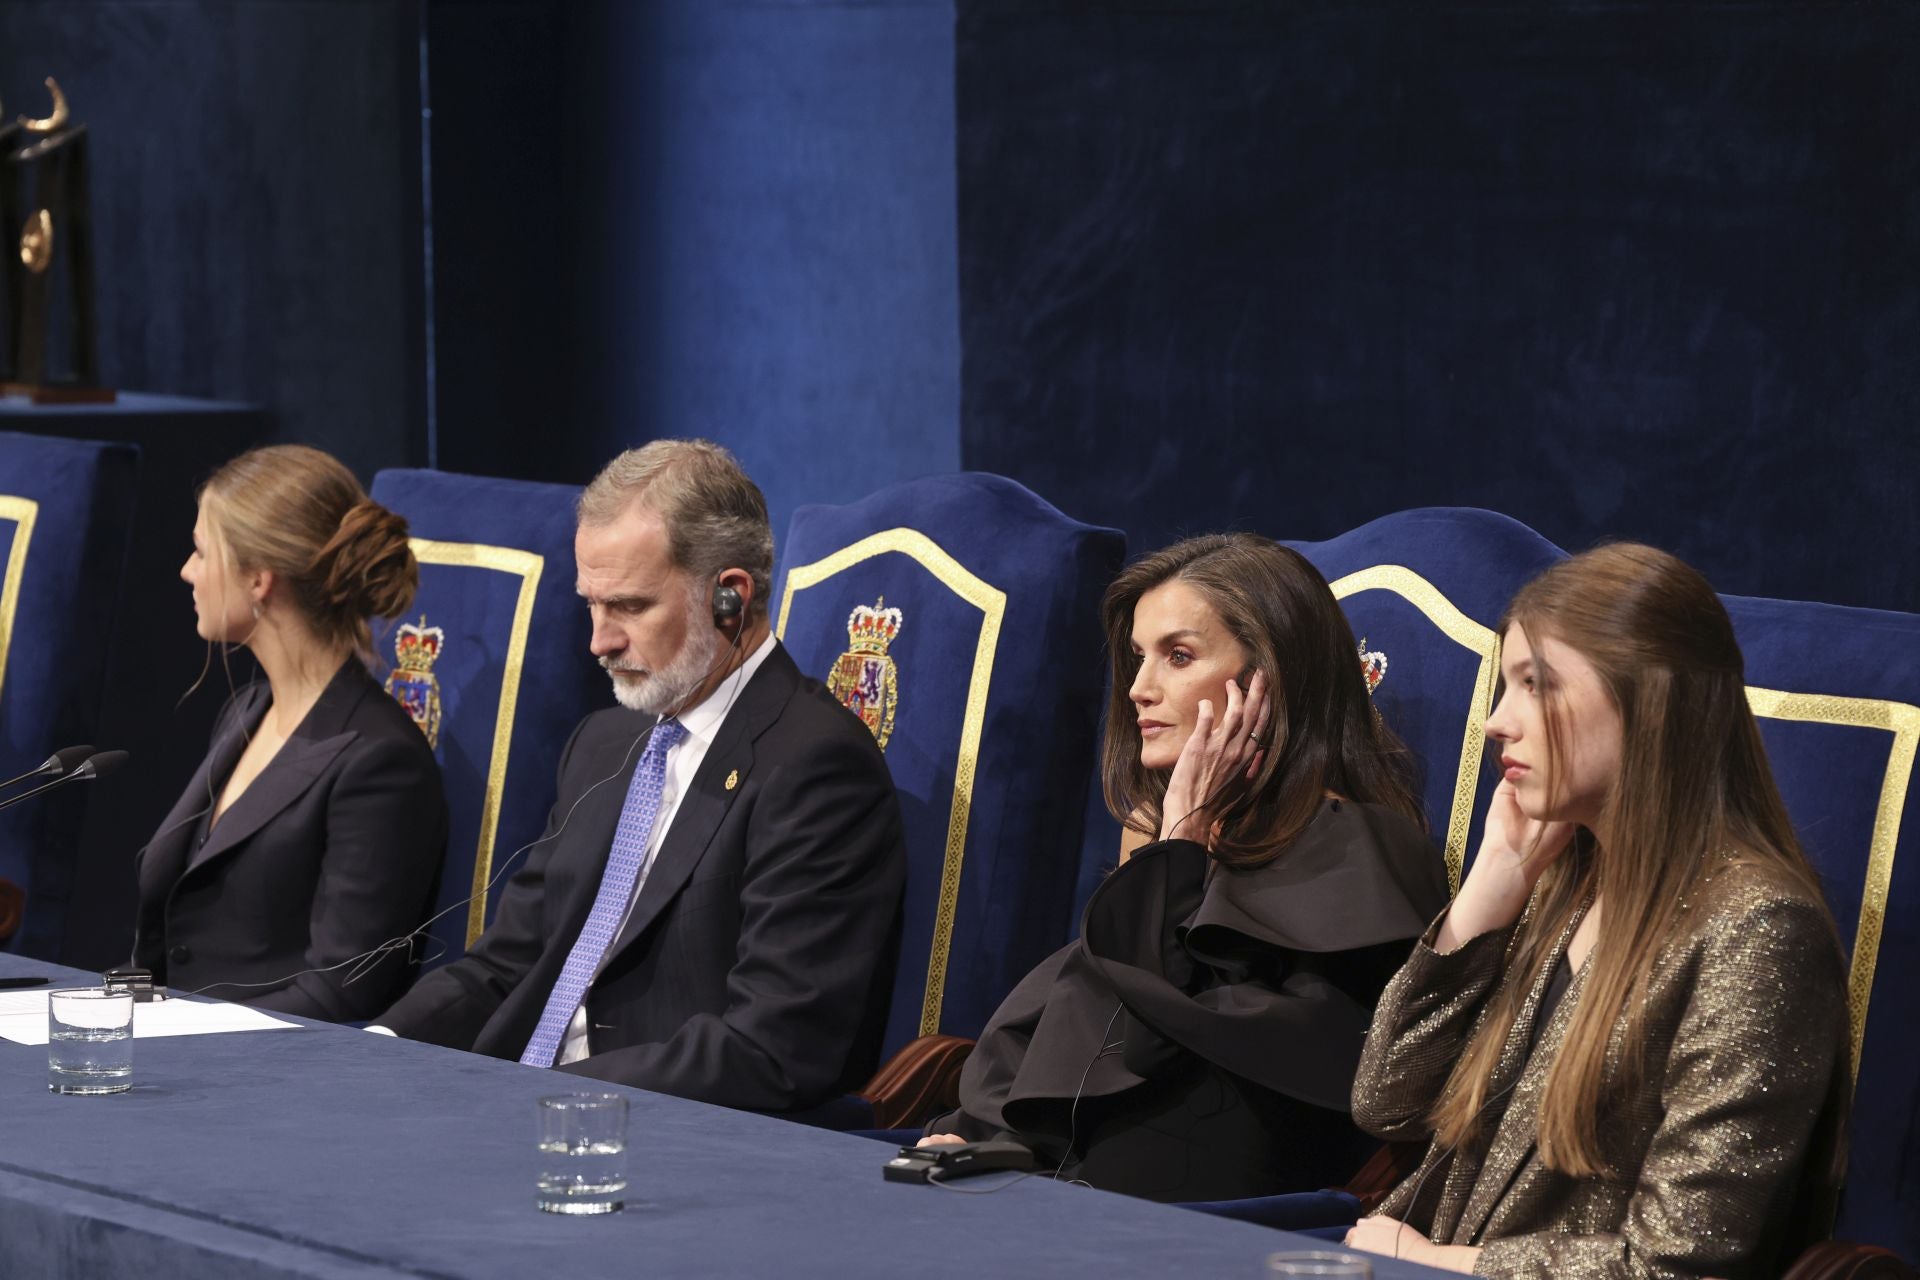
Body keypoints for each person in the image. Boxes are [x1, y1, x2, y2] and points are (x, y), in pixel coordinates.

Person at [1344, 544, 1850, 1277]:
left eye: (1536, 686)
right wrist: (1490, 888)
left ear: (1649, 704)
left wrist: (1449, 1264)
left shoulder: (1760, 929)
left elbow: (1682, 1260)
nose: (1496, 722)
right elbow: (1383, 1102)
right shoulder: (1560, 882)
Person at [370, 440, 907, 1112]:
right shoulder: (604, 742)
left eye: (627, 607)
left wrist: (537, 1098)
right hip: (515, 1110)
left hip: (667, 1141)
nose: (599, 641)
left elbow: (770, 1051)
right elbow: (508, 963)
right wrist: (377, 1042)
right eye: (591, 605)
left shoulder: (817, 769)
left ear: (730, 599)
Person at [919, 534, 1448, 1202]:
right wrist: (994, 1140)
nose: (1139, 688)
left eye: (1178, 656)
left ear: (1270, 680)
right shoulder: (1167, 836)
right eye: (1139, 658)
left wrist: (1178, 850)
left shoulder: (1361, 851)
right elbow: (1088, 1029)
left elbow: (1174, 1057)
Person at [133, 445, 447, 1022]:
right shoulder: (247, 709)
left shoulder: (379, 762)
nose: (187, 571)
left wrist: (178, 1033)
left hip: (269, 1079)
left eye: (203, 552)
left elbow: (342, 990)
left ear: (258, 579)